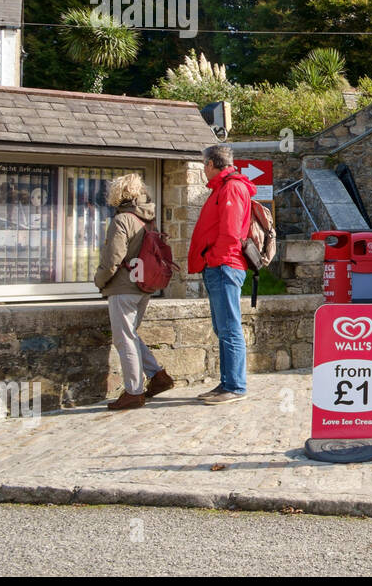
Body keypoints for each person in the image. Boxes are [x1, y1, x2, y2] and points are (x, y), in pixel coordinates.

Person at [95, 173, 173, 411]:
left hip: (123, 288)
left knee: (124, 338)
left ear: (118, 194)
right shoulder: (148, 219)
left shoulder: (122, 220)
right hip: (144, 286)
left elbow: (113, 260)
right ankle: (158, 375)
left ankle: (133, 391)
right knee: (131, 334)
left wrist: (99, 280)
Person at [188, 144, 256, 404]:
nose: (203, 169)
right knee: (223, 327)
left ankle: (235, 386)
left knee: (229, 327)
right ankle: (227, 383)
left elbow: (230, 233)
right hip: (219, 264)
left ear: (211, 164)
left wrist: (212, 259)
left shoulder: (231, 188)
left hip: (224, 265)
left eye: (204, 164)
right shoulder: (223, 187)